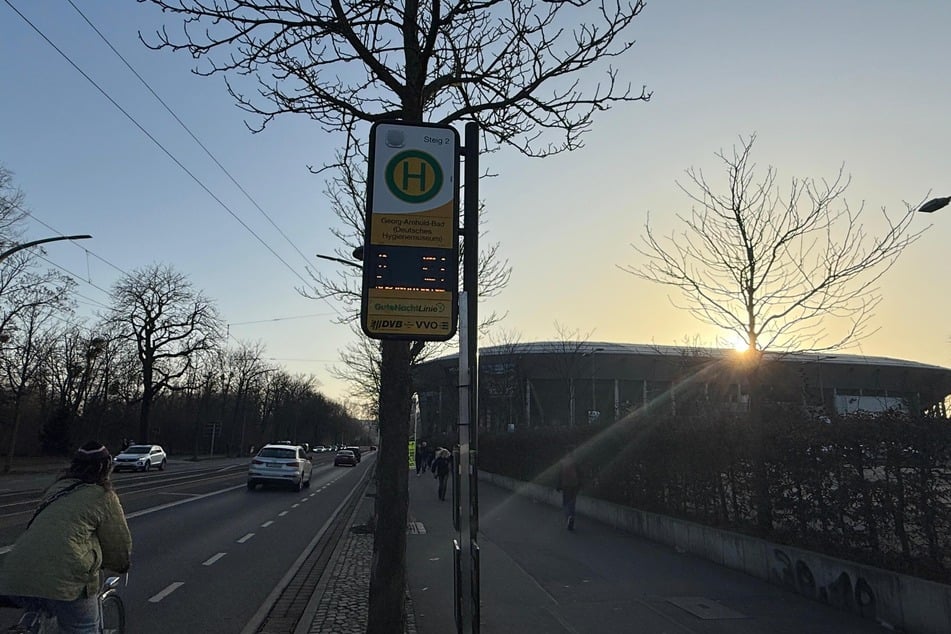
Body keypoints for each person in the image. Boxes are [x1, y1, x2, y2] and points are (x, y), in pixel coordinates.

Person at [0, 441, 132, 633]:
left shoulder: (55, 489)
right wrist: (121, 564)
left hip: (14, 572)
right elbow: (118, 544)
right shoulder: (103, 496)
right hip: (67, 580)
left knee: (38, 606)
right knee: (84, 627)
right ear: (106, 468)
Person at [557, 451, 582, 531]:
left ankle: (568, 517)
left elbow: (560, 475)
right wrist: (580, 485)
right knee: (572, 502)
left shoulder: (563, 463)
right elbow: (580, 474)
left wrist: (558, 486)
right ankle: (571, 516)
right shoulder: (575, 463)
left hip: (565, 486)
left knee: (565, 503)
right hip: (574, 486)